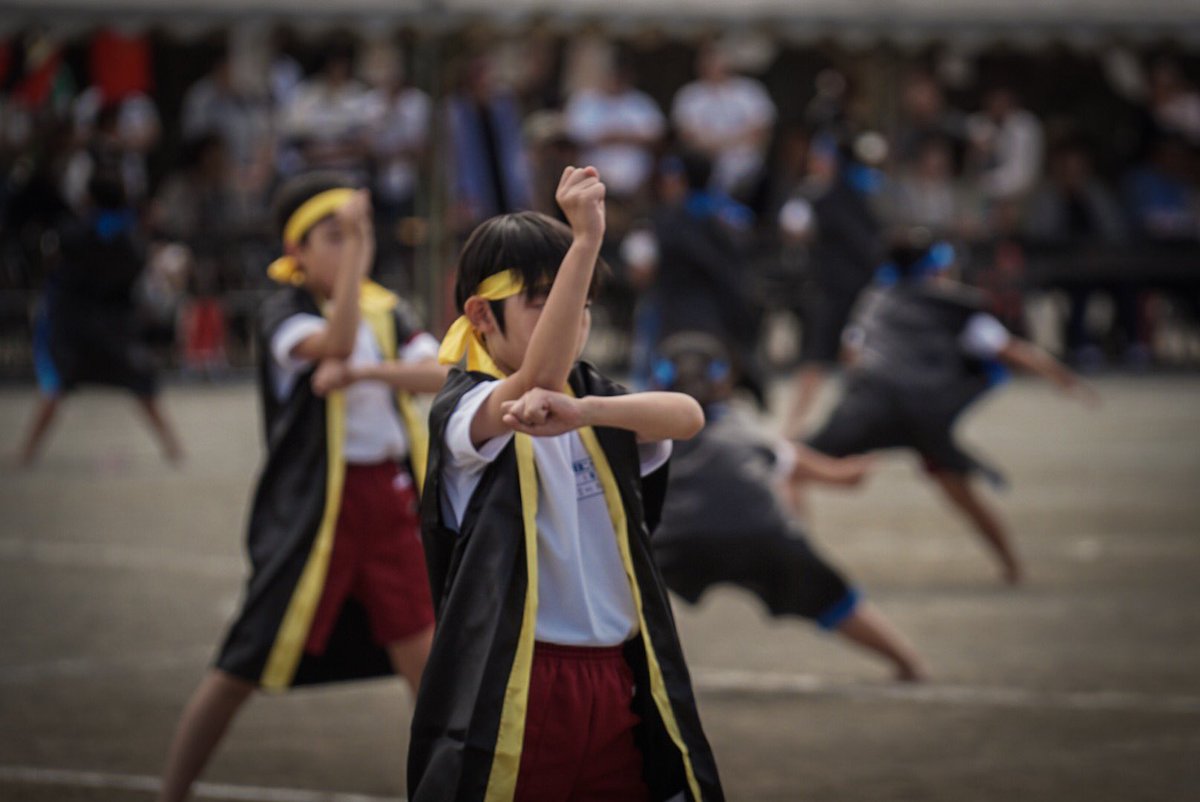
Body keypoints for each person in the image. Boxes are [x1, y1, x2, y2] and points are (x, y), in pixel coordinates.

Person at [409, 167, 723, 801]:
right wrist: (585, 242)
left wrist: (587, 414)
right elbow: (538, 380)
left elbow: (687, 415)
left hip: (616, 674)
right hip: (522, 683)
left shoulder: (591, 401)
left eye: (580, 303)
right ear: (481, 314)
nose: (573, 319)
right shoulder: (466, 411)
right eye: (546, 303)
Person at [157, 175, 446, 802]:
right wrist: (356, 278)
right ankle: (173, 790)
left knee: (427, 662)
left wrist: (369, 371)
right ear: (297, 251)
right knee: (241, 663)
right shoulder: (284, 312)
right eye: (333, 236)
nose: (348, 247)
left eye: (355, 234)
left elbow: (442, 373)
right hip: (315, 513)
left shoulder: (386, 310)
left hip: (390, 502)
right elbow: (334, 342)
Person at [803, 236, 1098, 584]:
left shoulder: (875, 301)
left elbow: (852, 356)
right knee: (959, 489)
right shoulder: (955, 306)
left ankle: (801, 562)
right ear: (936, 269)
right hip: (927, 413)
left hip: (871, 407)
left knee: (791, 461)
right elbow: (1013, 351)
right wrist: (1064, 380)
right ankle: (1011, 567)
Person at [649, 332, 927, 681]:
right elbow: (788, 459)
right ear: (725, 379)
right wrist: (843, 475)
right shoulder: (738, 422)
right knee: (835, 600)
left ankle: (637, 674)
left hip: (678, 535)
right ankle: (908, 663)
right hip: (760, 531)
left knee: (633, 596)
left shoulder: (646, 427)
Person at [19, 171, 183, 467]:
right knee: (141, 385)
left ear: (89, 198)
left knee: (55, 387)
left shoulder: (74, 233)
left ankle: (28, 453)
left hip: (75, 324)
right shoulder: (130, 238)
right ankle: (173, 448)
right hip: (113, 325)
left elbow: (56, 270)